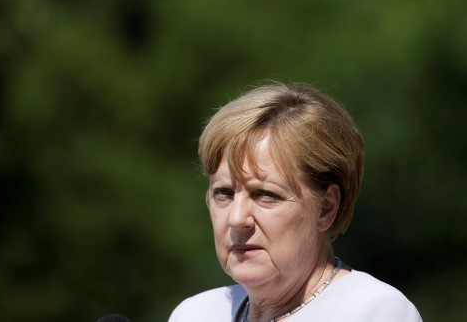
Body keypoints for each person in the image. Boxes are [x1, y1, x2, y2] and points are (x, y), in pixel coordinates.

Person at [169, 83, 422, 322]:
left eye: (265, 194)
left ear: (326, 208)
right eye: (223, 193)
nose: (236, 219)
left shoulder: (372, 311)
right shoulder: (195, 313)